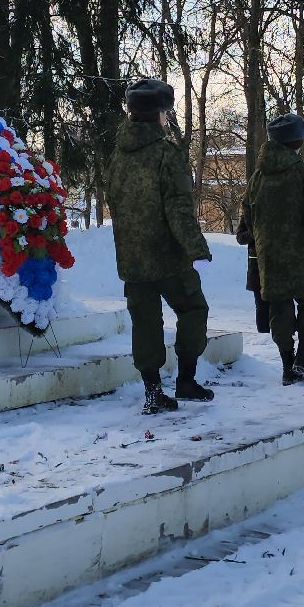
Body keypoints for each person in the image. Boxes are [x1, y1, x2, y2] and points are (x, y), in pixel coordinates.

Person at [107, 77, 215, 415]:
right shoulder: (166, 153)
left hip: (132, 257)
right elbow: (178, 208)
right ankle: (186, 380)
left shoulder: (118, 155)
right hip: (168, 256)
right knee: (193, 309)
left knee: (145, 322)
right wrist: (197, 249)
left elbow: (115, 201)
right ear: (158, 114)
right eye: (166, 112)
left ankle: (153, 391)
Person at [243, 113, 304, 385]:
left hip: (269, 258)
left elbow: (247, 222)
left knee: (279, 308)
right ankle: (303, 359)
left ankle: (287, 367)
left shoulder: (257, 178)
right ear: (299, 141)